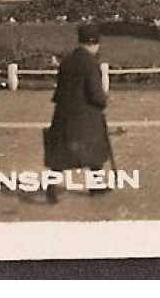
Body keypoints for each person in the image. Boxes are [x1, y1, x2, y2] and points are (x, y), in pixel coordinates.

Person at [44, 22, 113, 202]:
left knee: (59, 155)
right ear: (94, 44)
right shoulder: (91, 64)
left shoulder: (67, 61)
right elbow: (95, 94)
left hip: (64, 114)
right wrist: (104, 100)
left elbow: (59, 91)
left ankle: (51, 188)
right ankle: (95, 187)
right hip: (86, 116)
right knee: (95, 150)